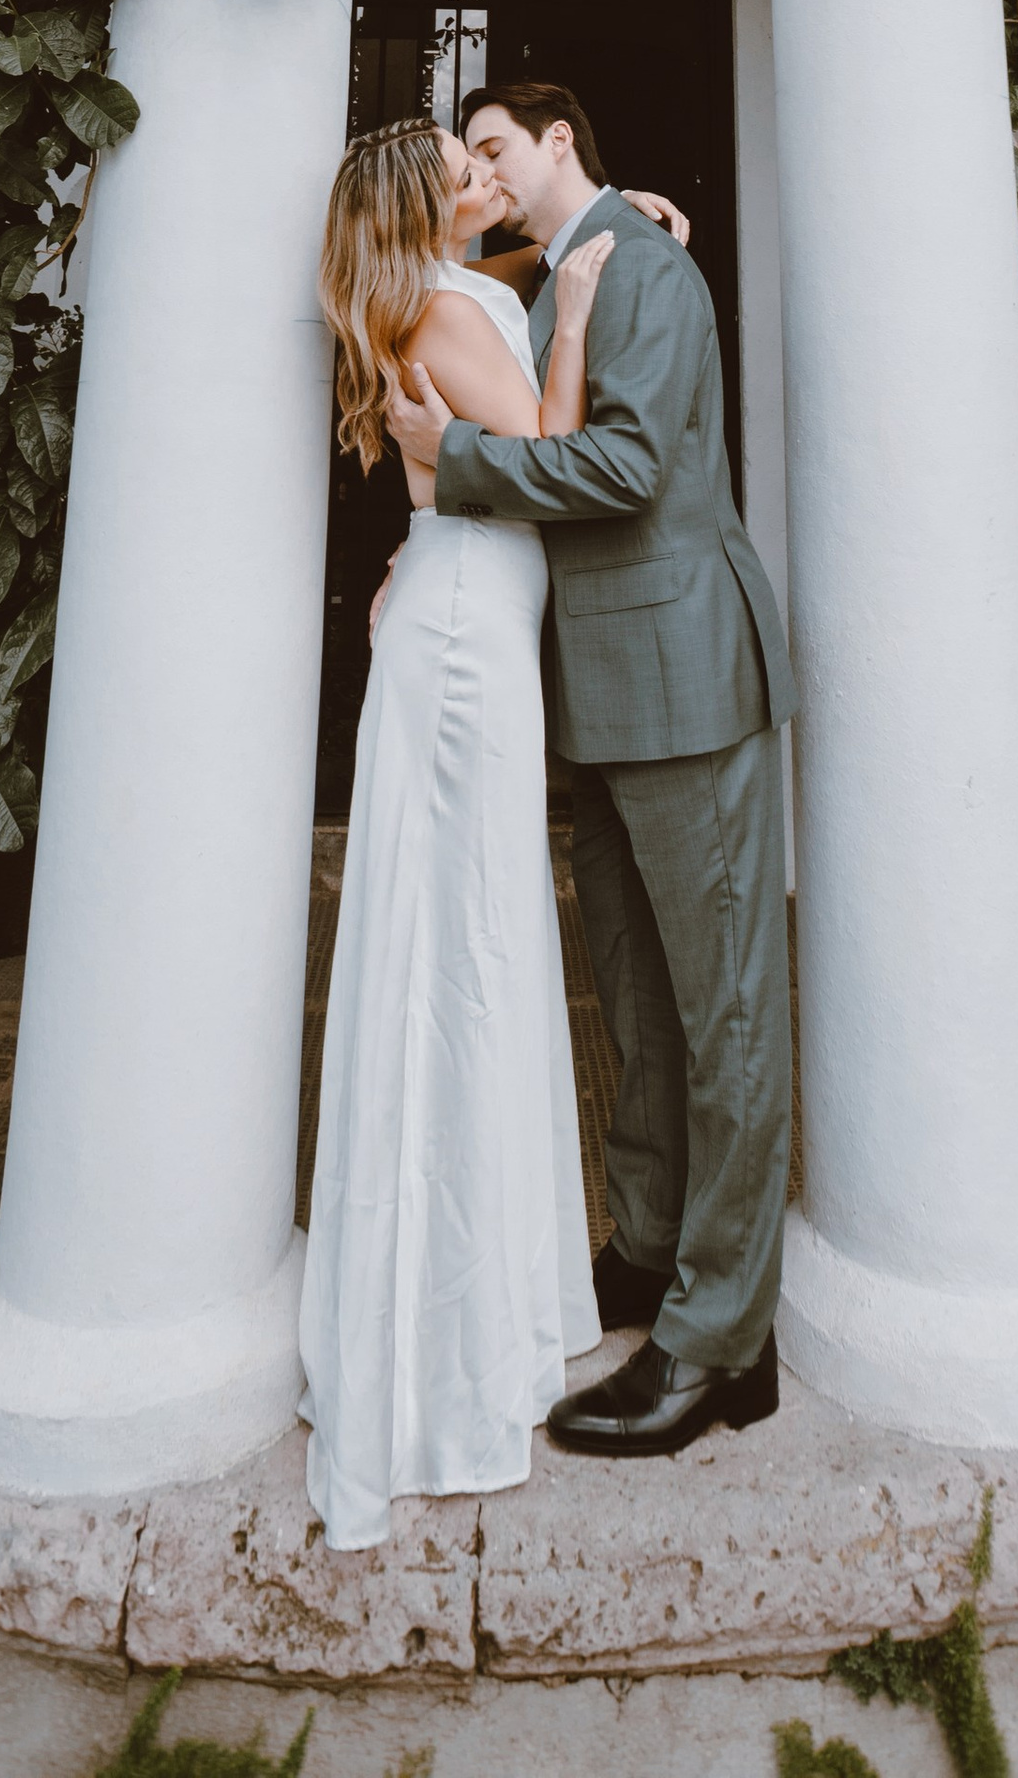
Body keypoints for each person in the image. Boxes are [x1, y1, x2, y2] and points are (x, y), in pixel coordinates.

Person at [388, 80, 796, 1462]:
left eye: (497, 146)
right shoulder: (561, 270)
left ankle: (723, 1341)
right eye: (471, 157)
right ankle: (653, 1244)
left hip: (686, 683)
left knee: (727, 1008)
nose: (485, 170)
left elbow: (621, 466)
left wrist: (462, 462)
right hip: (596, 694)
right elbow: (483, 277)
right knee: (636, 994)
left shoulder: (651, 268)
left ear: (565, 143)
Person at [303, 115, 660, 1548]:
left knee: (484, 939)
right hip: (463, 645)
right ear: (425, 203)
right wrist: (577, 304)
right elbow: (552, 452)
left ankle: (487, 1296)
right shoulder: (453, 307)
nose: (485, 176)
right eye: (464, 166)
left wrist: (612, 215)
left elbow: (469, 451)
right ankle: (435, 1338)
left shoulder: (454, 289)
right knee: (464, 950)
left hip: (466, 611)